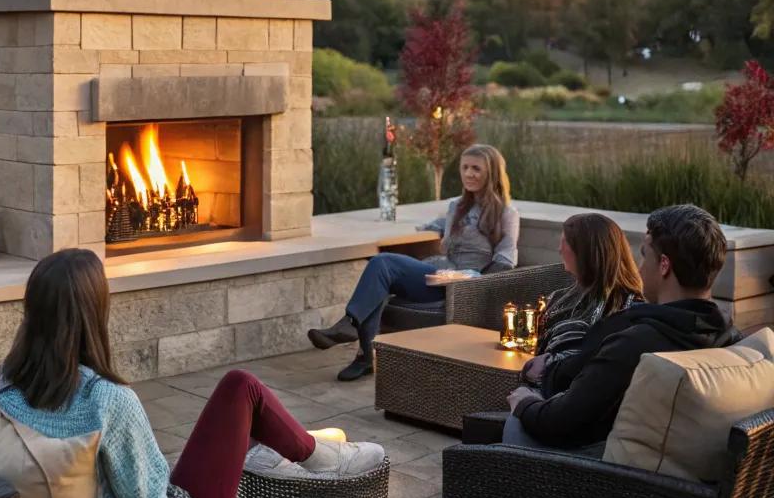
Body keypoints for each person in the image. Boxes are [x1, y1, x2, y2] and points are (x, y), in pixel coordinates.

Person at [0, 248, 385, 498]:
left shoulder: (11, 382)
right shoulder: (107, 400)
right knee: (241, 388)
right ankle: (316, 456)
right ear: (92, 315)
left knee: (237, 404)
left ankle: (287, 448)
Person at [504, 203, 737, 453]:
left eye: (645, 255)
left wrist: (525, 403)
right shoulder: (728, 337)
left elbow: (560, 421)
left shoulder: (635, 343)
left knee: (515, 423)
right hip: (675, 469)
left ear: (664, 265)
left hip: (601, 473)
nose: (639, 268)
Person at [309, 143, 519, 382]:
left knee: (383, 262)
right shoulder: (456, 207)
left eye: (476, 169)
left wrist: (472, 281)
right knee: (380, 277)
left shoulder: (506, 214)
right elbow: (438, 227)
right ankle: (362, 350)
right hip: (438, 276)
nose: (469, 174)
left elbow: (506, 260)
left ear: (491, 173)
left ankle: (353, 334)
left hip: (463, 288)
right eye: (465, 167)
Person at [519, 212, 644, 400]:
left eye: (565, 242)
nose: (559, 249)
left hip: (575, 400)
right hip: (549, 391)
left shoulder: (626, 309)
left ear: (585, 251)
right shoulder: (561, 298)